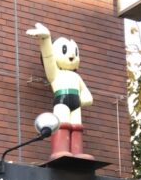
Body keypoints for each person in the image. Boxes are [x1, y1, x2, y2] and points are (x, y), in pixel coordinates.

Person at [27, 22, 93, 160]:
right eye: (64, 50)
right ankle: (60, 149)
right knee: (61, 124)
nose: (72, 55)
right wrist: (46, 39)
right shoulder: (55, 74)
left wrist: (83, 100)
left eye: (75, 52)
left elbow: (88, 95)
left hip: (76, 103)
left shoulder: (76, 77)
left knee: (77, 127)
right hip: (61, 101)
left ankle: (77, 152)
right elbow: (48, 59)